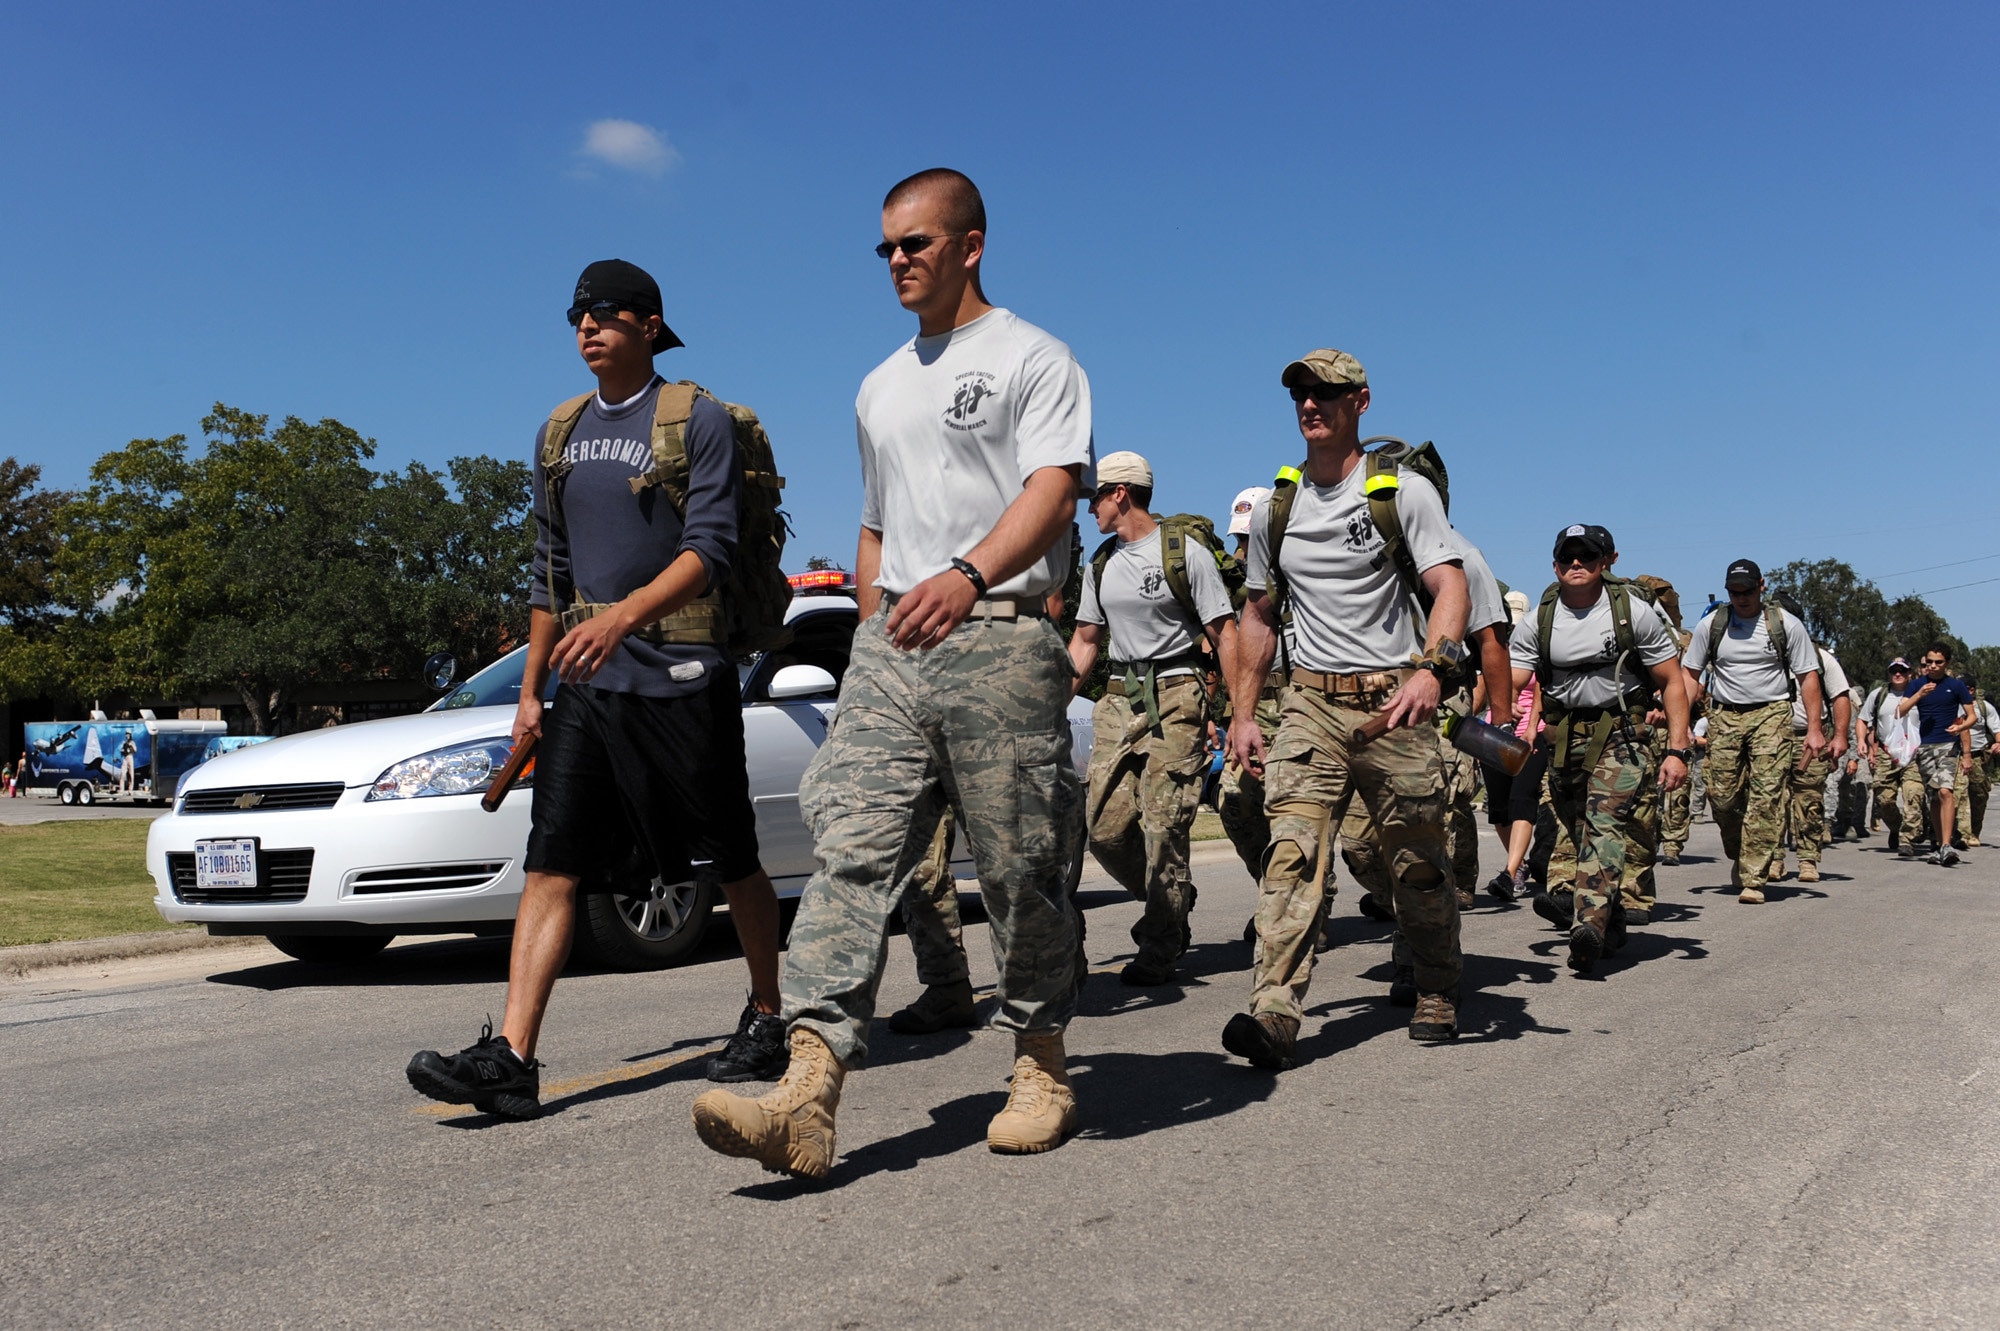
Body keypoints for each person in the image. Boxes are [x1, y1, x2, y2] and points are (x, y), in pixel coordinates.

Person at [691, 168, 1092, 1178]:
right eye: (885, 247)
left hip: (1000, 635)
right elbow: (874, 523)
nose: (897, 260)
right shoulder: (877, 383)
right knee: (852, 853)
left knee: (1015, 863)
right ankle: (806, 1091)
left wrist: (967, 575)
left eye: (915, 242)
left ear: (970, 244)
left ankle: (1039, 1060)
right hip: (894, 650)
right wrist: (872, 619)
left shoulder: (1033, 358)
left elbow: (1052, 491)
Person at [407, 259, 789, 1119]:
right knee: (553, 861)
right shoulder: (559, 432)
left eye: (606, 313)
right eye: (577, 314)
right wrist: (529, 690)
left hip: (683, 675)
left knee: (732, 855)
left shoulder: (699, 420)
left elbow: (713, 550)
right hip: (584, 686)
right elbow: (551, 575)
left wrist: (620, 619)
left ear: (650, 324)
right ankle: (512, 1057)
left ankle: (770, 1012)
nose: (587, 326)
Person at [1225, 347, 1471, 1066]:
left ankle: (1435, 984)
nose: (1310, 403)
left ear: (1360, 402)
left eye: (1326, 392)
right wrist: (1244, 712)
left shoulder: (1400, 492)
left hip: (1394, 698)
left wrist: (1430, 670)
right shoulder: (1279, 506)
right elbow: (1260, 615)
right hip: (1310, 703)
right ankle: (1273, 1009)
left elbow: (1448, 586)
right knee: (1292, 855)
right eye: (1300, 392)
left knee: (1415, 860)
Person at [1068, 451, 1237, 984]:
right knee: (1104, 829)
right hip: (1119, 696)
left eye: (1094, 494)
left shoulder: (1185, 555)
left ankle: (1161, 942)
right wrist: (1050, 704)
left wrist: (1240, 714)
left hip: (1177, 692)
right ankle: (1173, 897)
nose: (1088, 506)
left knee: (1165, 826)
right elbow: (1085, 641)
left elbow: (1223, 634)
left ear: (1120, 493)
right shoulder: (1100, 562)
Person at [1510, 526, 1690, 973]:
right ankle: (1611, 924)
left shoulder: (1634, 612)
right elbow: (1510, 681)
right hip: (1563, 736)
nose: (1577, 564)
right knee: (1576, 827)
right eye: (1567, 557)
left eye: (1586, 556)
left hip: (1622, 731)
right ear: (1554, 565)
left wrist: (1677, 751)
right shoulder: (1540, 620)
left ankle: (1586, 925)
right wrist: (1482, 718)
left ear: (1605, 562)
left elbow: (1672, 682)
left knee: (1604, 824)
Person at [1680, 560, 1825, 904]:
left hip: (1771, 714)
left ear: (1762, 585)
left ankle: (1754, 877)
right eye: (1735, 591)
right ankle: (1741, 851)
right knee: (1723, 797)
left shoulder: (1785, 625)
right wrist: (1681, 723)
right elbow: (1690, 676)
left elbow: (1808, 678)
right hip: (1725, 716)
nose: (1741, 598)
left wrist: (1815, 729)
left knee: (1766, 796)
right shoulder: (1712, 625)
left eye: (1747, 590)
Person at [1216, 486, 1280, 880]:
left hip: (1295, 704)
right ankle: (1272, 890)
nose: (1242, 548)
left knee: (1292, 810)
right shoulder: (1231, 584)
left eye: (1250, 538)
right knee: (1234, 802)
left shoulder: (1294, 570)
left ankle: (1311, 903)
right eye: (1239, 538)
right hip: (1250, 707)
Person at [1765, 592, 1851, 885]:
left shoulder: (1819, 658)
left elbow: (1840, 696)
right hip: (1770, 739)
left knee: (1809, 802)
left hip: (1810, 742)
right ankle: (1774, 860)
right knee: (1770, 802)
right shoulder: (1763, 654)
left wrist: (1839, 736)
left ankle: (1808, 859)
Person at [1895, 642, 1975, 867]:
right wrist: (1919, 694)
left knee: (1945, 791)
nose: (1932, 666)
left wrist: (1960, 728)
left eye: (1938, 662)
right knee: (1934, 796)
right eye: (1929, 662)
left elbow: (1972, 717)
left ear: (1946, 663)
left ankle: (1947, 844)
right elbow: (1900, 711)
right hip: (1925, 747)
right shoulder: (1917, 685)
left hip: (1948, 745)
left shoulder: (1956, 686)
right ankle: (1941, 845)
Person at [1860, 659, 1925, 852]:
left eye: (1902, 671)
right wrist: (1863, 742)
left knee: (1913, 795)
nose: (1898, 674)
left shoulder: (1920, 694)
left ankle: (1907, 840)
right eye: (1894, 671)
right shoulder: (1878, 695)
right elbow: (1863, 720)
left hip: (1913, 754)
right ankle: (1897, 828)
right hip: (1886, 754)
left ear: (1910, 673)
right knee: (1884, 800)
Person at [1955, 680, 1998, 847]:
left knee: (1979, 793)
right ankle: (1957, 833)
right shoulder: (1950, 702)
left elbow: (1997, 728)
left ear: (1971, 690)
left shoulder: (1984, 707)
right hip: (1953, 755)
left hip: (1977, 757)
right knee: (1955, 794)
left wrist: (1998, 743)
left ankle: (1974, 831)